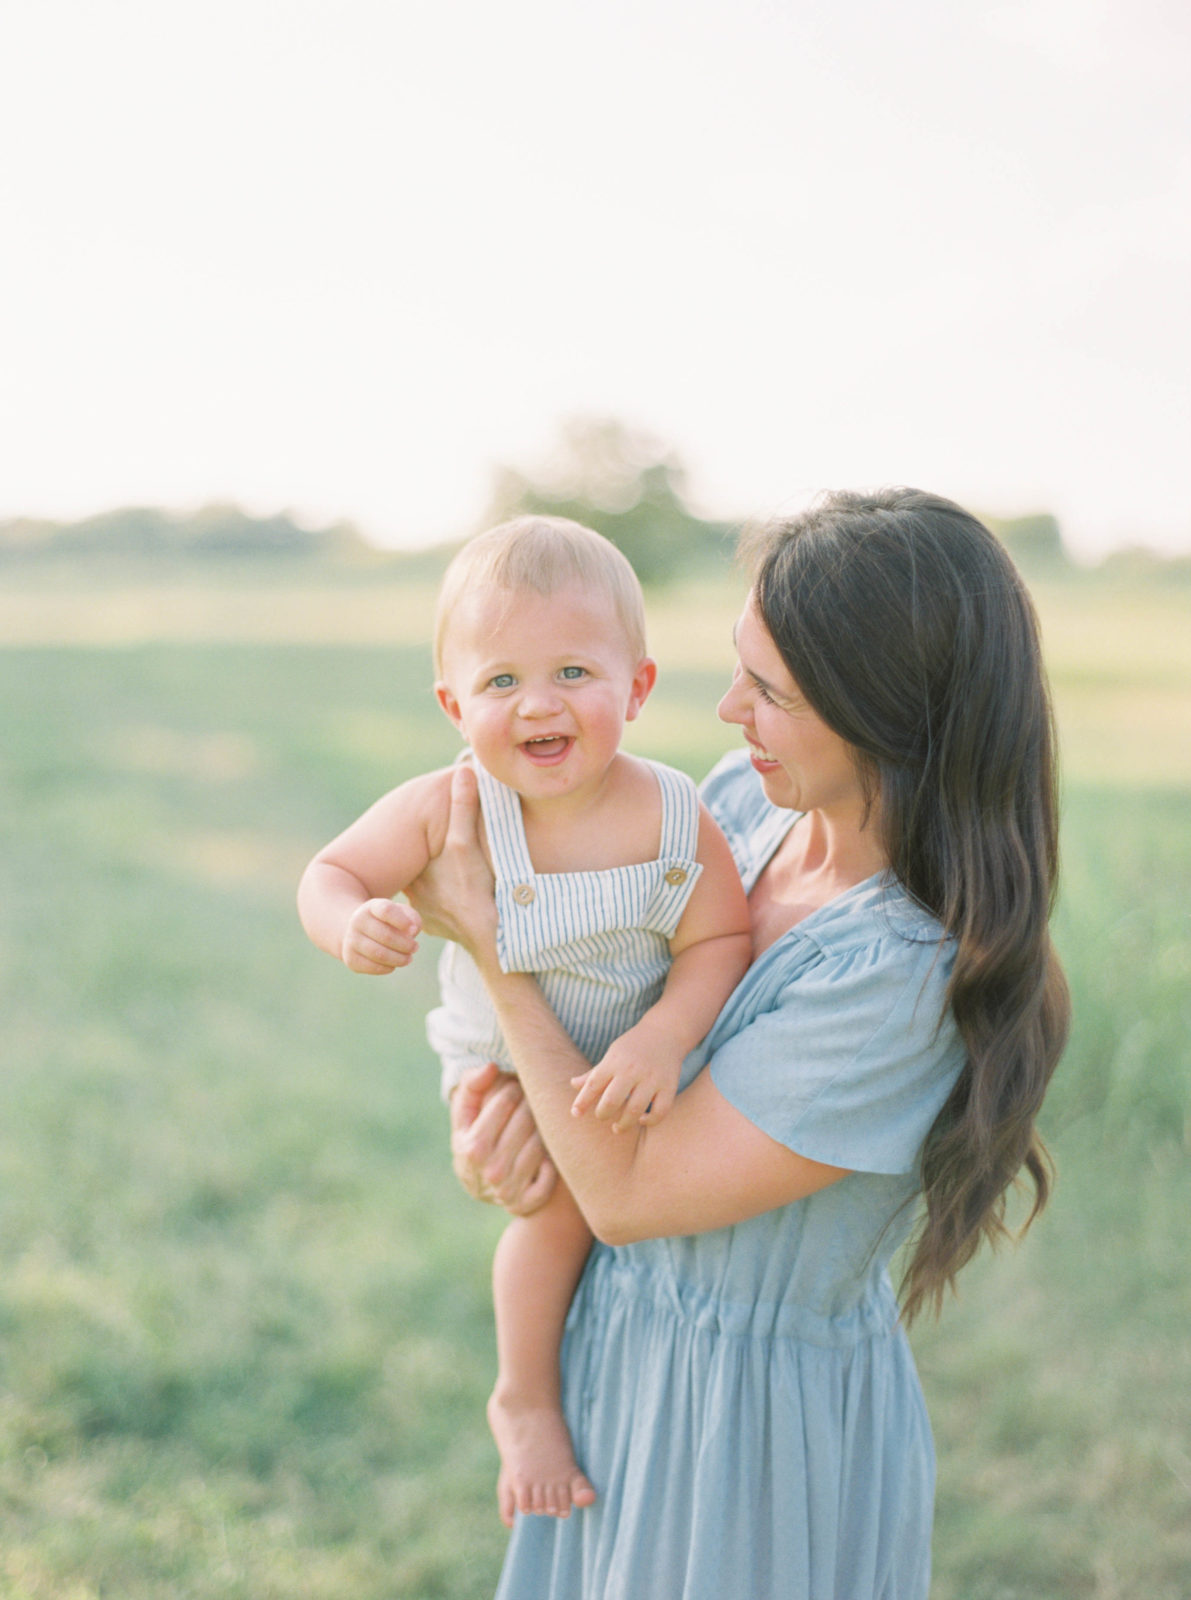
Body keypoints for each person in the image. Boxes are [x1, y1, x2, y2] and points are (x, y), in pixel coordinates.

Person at [405, 487, 1072, 1599]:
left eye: (770, 691)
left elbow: (624, 1191)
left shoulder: (898, 976)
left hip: (750, 1430)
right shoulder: (737, 811)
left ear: (886, 714)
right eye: (738, 667)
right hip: (616, 1350)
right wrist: (494, 1133)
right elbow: (585, 1069)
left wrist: (491, 943)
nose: (725, 710)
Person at [297, 516, 752, 1527]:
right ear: (455, 705)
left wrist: (663, 1034)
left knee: (630, 1201)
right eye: (501, 682)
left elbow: (719, 945)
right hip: (504, 1060)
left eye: (573, 672)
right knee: (554, 1207)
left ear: (636, 686)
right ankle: (524, 1396)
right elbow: (330, 872)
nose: (538, 703)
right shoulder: (449, 805)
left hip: (623, 1062)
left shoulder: (675, 816)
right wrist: (352, 923)